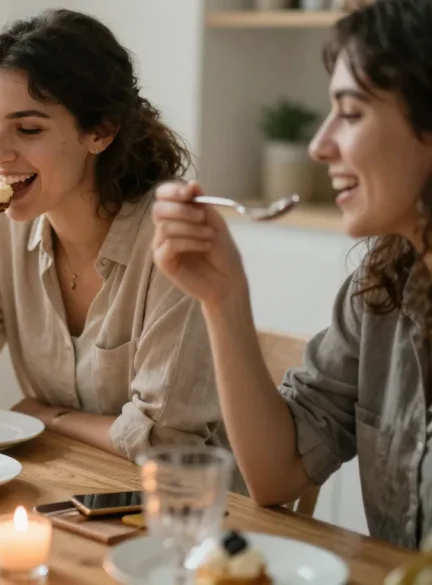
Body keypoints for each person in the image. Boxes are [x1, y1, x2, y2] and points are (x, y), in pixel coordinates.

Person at [151, 0, 432, 549]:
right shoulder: (379, 293)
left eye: (350, 114)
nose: (318, 145)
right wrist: (224, 299)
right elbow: (276, 475)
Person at [0, 9, 231, 464]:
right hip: (66, 491)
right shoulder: (5, 231)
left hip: (183, 510)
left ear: (100, 131)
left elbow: (166, 442)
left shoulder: (174, 238)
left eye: (28, 128)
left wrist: (47, 417)